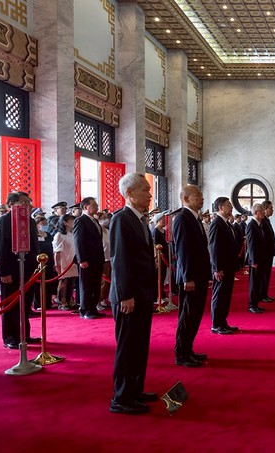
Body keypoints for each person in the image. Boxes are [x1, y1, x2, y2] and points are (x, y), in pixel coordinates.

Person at [109, 173, 157, 415]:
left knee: (140, 345)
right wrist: (125, 294)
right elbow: (120, 261)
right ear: (129, 193)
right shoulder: (121, 219)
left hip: (142, 293)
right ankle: (121, 398)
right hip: (129, 297)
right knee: (128, 348)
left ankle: (135, 389)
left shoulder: (139, 219)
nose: (149, 195)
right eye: (145, 190)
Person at [0, 191, 41, 350]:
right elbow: (0, 248)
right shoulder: (4, 221)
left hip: (29, 269)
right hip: (11, 270)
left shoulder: (30, 221)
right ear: (11, 205)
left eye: (29, 202)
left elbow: (35, 246)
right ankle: (10, 337)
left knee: (26, 303)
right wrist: (4, 271)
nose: (27, 206)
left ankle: (24, 335)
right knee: (11, 305)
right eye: (23, 202)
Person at [172, 185, 210, 367]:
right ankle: (181, 354)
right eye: (198, 195)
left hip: (199, 275)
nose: (201, 198)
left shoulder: (195, 218)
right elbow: (182, 250)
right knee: (187, 316)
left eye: (202, 195)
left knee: (195, 315)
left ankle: (189, 349)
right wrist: (187, 277)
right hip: (190, 278)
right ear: (186, 199)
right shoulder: (182, 218)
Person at [209, 197, 240, 335]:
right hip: (221, 267)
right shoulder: (216, 223)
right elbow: (214, 247)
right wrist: (217, 268)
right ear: (221, 208)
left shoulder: (226, 223)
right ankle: (216, 324)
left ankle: (223, 321)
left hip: (229, 266)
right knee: (219, 295)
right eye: (228, 205)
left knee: (226, 295)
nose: (231, 207)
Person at [73, 197, 105, 319]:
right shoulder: (80, 221)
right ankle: (85, 310)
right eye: (94, 205)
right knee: (86, 285)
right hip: (87, 259)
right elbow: (78, 241)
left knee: (96, 285)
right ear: (85, 207)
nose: (97, 207)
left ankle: (93, 308)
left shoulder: (94, 221)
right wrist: (82, 259)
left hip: (97, 258)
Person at [245, 203, 267, 314]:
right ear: (256, 212)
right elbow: (251, 244)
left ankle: (256, 303)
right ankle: (252, 305)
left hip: (260, 258)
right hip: (255, 260)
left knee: (258, 282)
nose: (264, 213)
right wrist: (253, 260)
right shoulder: (251, 225)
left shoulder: (258, 224)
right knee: (254, 282)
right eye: (262, 211)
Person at [53, 215, 77, 310]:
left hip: (72, 260)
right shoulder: (59, 235)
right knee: (64, 282)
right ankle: (62, 302)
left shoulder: (71, 234)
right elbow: (56, 251)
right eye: (71, 221)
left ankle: (70, 300)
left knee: (71, 282)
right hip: (63, 260)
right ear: (65, 222)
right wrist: (57, 264)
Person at [259, 200, 275, 302]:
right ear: (265, 210)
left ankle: (264, 294)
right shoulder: (262, 221)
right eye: (270, 208)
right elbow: (264, 239)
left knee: (267, 274)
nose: (272, 210)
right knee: (264, 275)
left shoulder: (267, 220)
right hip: (265, 253)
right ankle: (262, 294)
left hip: (269, 253)